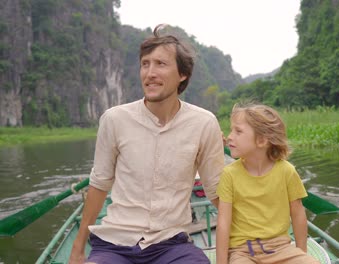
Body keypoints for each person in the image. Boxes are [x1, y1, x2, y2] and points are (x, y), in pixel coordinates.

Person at [69, 24, 225, 264]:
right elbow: (99, 185)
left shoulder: (204, 124)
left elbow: (216, 192)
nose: (149, 73)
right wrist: (78, 248)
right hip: (115, 244)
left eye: (160, 64)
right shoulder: (114, 119)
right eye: (145, 64)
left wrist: (253, 230)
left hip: (171, 244)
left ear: (182, 74)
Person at [216, 103, 320, 264]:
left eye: (238, 131)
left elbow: (298, 215)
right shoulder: (229, 174)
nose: (229, 136)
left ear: (262, 140)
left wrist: (301, 253)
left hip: (280, 248)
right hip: (243, 251)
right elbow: (223, 223)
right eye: (231, 130)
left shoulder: (287, 171)